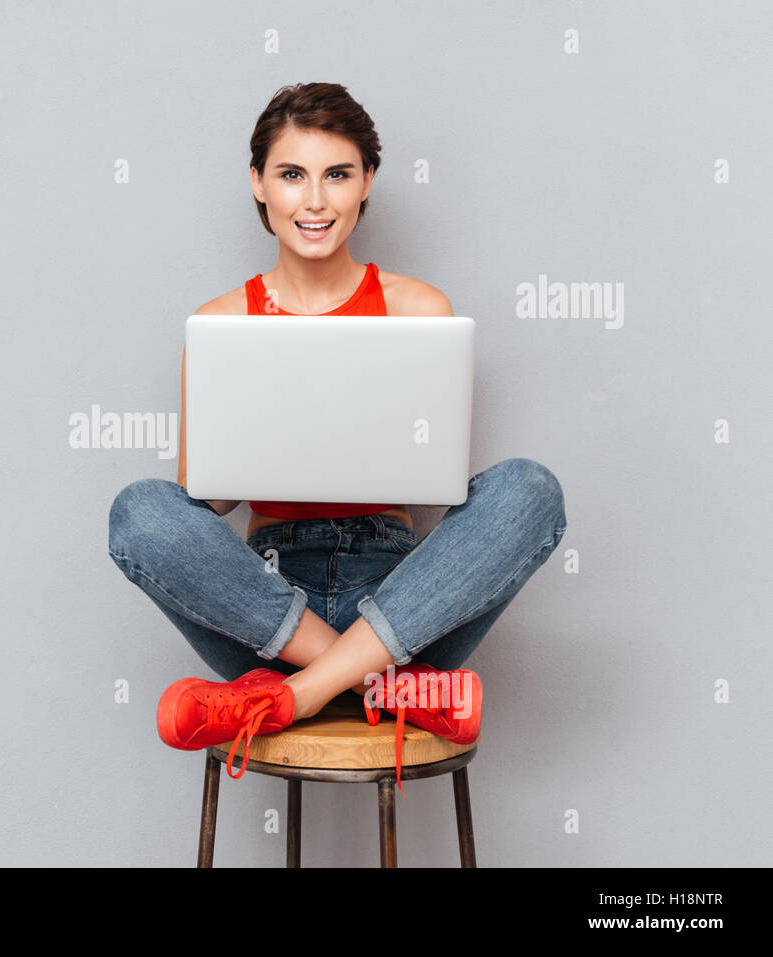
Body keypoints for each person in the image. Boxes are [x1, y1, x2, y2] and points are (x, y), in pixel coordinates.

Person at [107, 82, 567, 791]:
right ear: (259, 184)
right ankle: (369, 683)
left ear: (367, 184)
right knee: (139, 509)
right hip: (265, 608)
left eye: (338, 174)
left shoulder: (420, 310)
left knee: (530, 489)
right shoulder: (221, 323)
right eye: (292, 175)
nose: (314, 200)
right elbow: (209, 499)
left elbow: (437, 477)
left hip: (401, 594)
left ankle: (298, 694)